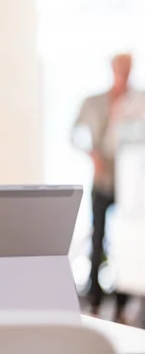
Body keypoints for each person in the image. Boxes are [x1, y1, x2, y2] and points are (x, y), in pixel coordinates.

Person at [71, 53, 137, 324]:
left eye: (128, 67)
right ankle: (95, 298)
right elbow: (74, 133)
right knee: (98, 237)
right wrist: (92, 155)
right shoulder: (94, 101)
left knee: (126, 239)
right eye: (120, 67)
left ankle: (123, 300)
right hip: (102, 179)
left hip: (129, 181)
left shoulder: (138, 100)